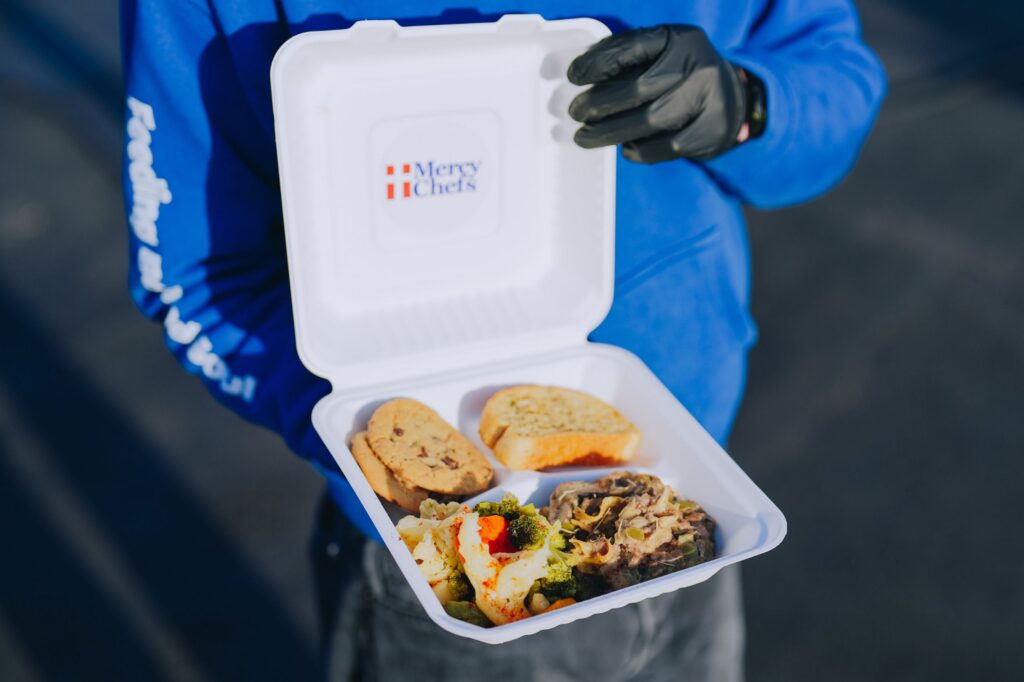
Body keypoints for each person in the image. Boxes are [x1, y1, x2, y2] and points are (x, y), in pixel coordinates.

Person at [121, 1, 885, 679]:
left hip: (696, 507)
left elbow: (839, 74)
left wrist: (750, 101)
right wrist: (365, 444)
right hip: (448, 616)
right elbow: (198, 277)